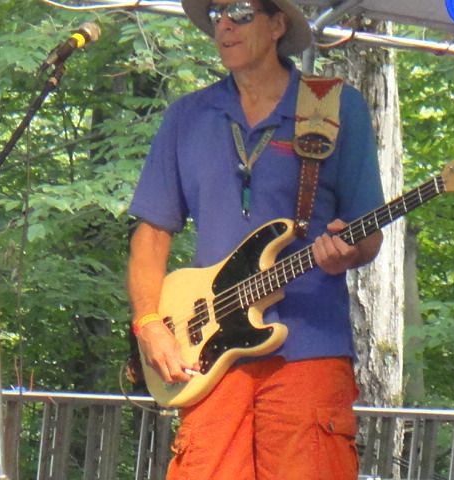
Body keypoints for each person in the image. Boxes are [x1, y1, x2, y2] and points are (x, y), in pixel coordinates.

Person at [127, 0, 384, 478]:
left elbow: (368, 236)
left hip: (308, 348)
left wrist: (347, 252)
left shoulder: (333, 106)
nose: (224, 24)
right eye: (217, 13)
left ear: (278, 23)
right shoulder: (187, 116)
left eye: (241, 11)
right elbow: (152, 232)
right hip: (210, 353)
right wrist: (149, 324)